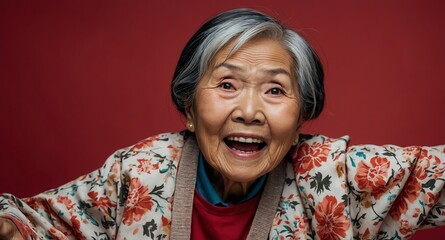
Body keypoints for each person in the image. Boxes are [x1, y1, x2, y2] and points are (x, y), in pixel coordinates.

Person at [0, 8, 444, 240]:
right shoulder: (139, 173)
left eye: (275, 90)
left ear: (301, 117)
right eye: (227, 84)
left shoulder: (335, 178)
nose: (249, 111)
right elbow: (32, 223)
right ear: (189, 108)